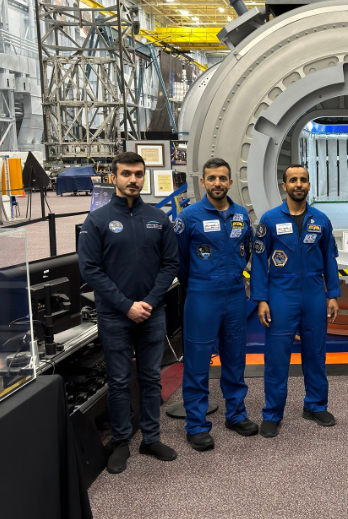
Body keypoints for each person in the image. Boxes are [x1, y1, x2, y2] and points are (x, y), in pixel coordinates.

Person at [78, 151, 179, 474]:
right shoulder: (98, 220)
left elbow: (170, 264)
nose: (133, 179)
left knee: (151, 378)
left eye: (138, 174)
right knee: (119, 380)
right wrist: (126, 305)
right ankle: (122, 441)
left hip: (152, 313)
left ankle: (151, 437)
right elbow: (90, 270)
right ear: (114, 177)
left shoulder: (158, 219)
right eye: (126, 174)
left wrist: (148, 301)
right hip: (114, 316)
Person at [173, 158, 257, 451]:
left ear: (230, 182)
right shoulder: (189, 217)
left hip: (235, 294)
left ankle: (236, 414)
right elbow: (180, 262)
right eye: (212, 178)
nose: (217, 183)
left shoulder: (240, 215)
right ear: (203, 182)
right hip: (201, 295)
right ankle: (196, 425)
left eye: (223, 178)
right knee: (197, 362)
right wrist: (198, 283)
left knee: (235, 358)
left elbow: (246, 249)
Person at [251, 164, 340, 438]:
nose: (298, 184)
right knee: (277, 358)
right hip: (281, 295)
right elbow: (258, 261)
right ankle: (272, 413)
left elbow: (329, 260)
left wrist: (333, 294)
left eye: (303, 180)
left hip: (314, 294)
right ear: (284, 185)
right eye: (293, 180)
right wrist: (261, 299)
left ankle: (315, 405)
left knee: (316, 353)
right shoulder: (269, 220)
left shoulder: (321, 220)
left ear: (309, 185)